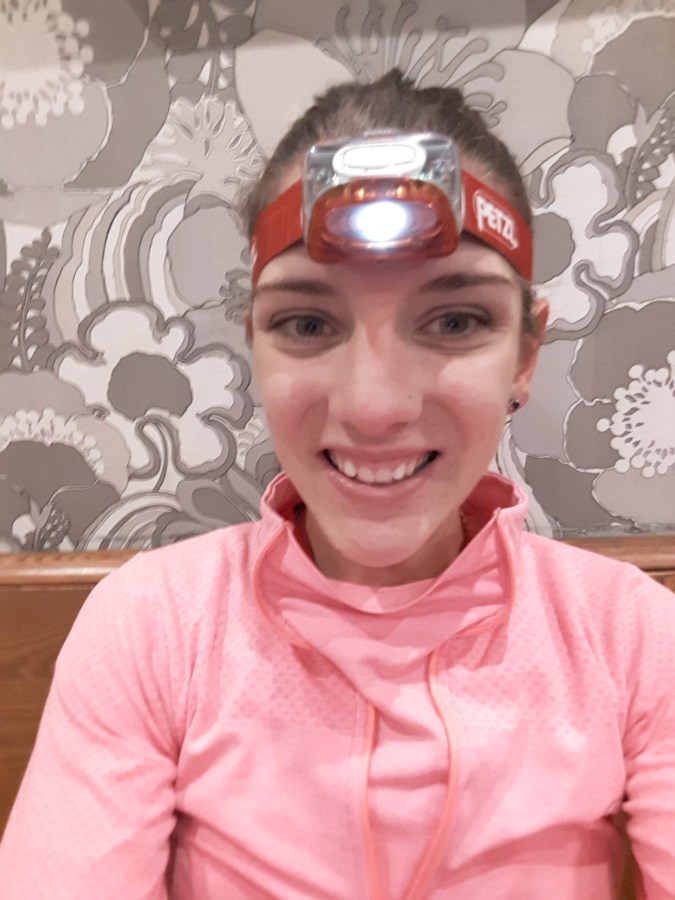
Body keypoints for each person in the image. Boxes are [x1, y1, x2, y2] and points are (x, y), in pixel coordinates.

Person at [1, 69, 674, 900]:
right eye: (308, 323)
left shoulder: (632, 638)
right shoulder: (153, 627)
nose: (374, 406)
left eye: (454, 320)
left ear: (524, 355)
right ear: (254, 342)